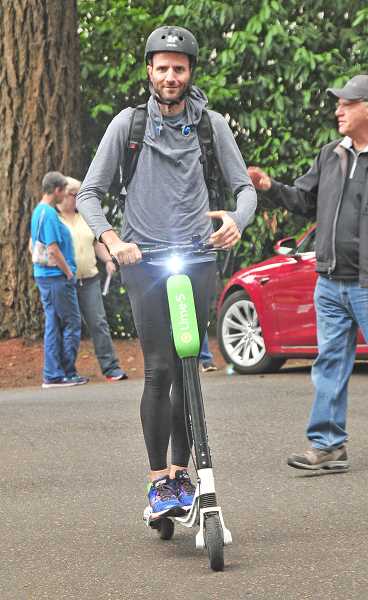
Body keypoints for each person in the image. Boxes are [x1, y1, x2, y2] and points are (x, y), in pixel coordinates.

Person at [77, 25, 256, 515]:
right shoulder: (127, 126)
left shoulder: (211, 124)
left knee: (188, 366)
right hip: (145, 261)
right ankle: (160, 481)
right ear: (150, 71)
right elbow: (88, 193)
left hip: (197, 257)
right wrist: (113, 240)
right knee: (159, 370)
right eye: (163, 68)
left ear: (190, 72)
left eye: (179, 68)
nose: (171, 76)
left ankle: (185, 473)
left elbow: (245, 189)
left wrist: (237, 221)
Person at [248, 74, 368, 472]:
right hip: (331, 281)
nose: (338, 110)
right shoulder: (331, 154)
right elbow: (304, 200)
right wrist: (269, 186)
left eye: (347, 103)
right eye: (338, 103)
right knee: (329, 363)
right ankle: (328, 445)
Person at [57, 177, 128, 382]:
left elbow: (96, 243)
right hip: (65, 281)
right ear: (63, 195)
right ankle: (66, 370)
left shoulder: (84, 218)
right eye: (74, 195)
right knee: (66, 325)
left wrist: (108, 260)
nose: (77, 199)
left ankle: (111, 367)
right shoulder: (55, 219)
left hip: (89, 279)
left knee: (98, 322)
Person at [30, 172, 88, 389]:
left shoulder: (38, 211)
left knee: (53, 323)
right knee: (71, 323)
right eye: (64, 190)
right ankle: (64, 373)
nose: (65, 195)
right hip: (56, 278)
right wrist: (69, 272)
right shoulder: (49, 214)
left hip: (45, 277)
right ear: (57, 190)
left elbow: (35, 245)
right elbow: (53, 249)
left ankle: (53, 373)